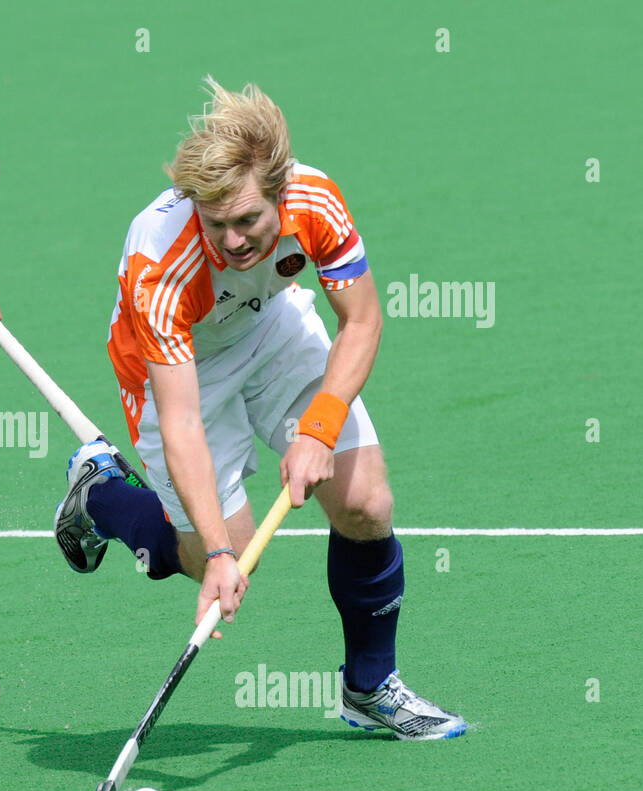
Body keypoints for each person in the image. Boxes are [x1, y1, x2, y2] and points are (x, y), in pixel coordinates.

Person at [55, 77, 465, 740]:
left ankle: (369, 688)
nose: (234, 240)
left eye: (248, 220)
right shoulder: (160, 262)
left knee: (366, 504)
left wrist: (320, 429)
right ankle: (101, 493)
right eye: (216, 224)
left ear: (277, 190)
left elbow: (361, 320)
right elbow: (183, 417)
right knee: (233, 551)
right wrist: (217, 553)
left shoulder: (315, 198)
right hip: (176, 369)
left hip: (269, 326)